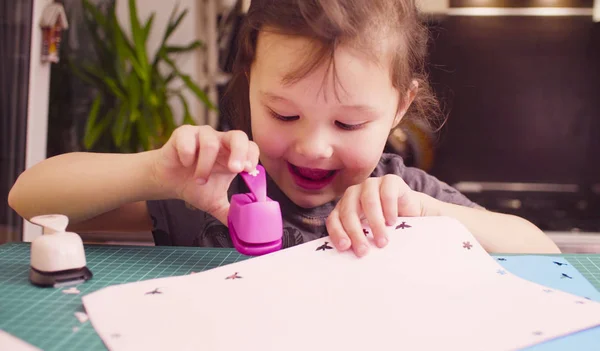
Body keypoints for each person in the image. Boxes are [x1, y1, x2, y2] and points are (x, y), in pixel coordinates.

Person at [8, 0, 560, 256]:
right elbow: (29, 198)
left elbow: (541, 249)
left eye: (348, 122)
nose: (313, 145)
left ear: (399, 109)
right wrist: (157, 173)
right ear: (248, 84)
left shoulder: (404, 198)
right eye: (284, 113)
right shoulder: (215, 190)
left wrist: (430, 215)